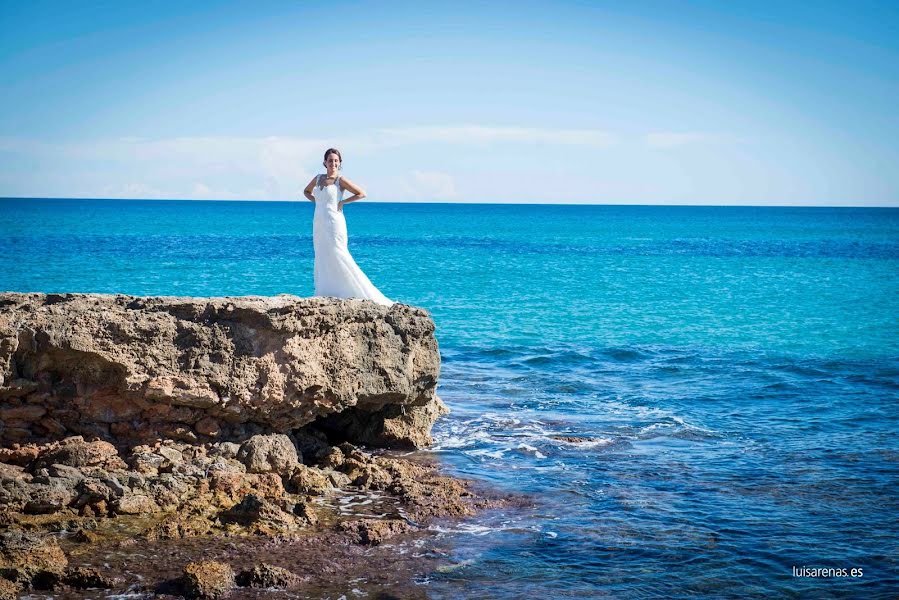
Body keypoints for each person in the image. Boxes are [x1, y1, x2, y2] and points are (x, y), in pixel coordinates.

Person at [302, 148, 394, 306]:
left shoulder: (340, 180)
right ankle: (326, 291)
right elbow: (306, 191)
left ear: (340, 163)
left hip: (334, 222)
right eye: (330, 160)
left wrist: (343, 202)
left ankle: (352, 291)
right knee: (322, 254)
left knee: (338, 253)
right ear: (324, 162)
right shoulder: (318, 179)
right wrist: (317, 202)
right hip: (319, 223)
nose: (333, 163)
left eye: (336, 161)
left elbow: (361, 193)